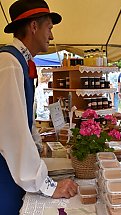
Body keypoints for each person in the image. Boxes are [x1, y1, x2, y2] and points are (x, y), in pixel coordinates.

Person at [0, 0, 77, 214]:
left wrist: (37, 145)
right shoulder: (9, 63)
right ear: (34, 27)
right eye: (49, 28)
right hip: (4, 172)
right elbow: (13, 132)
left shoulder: (17, 62)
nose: (51, 37)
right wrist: (46, 185)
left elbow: (24, 119)